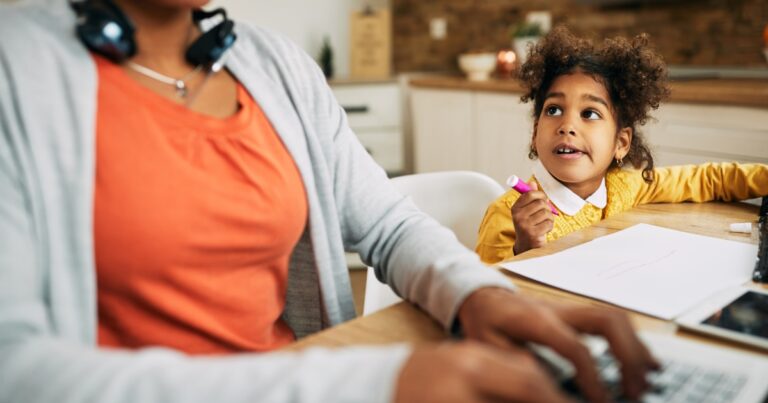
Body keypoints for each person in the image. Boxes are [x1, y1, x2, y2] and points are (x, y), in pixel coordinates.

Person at [0, 2, 658, 402]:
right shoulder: (15, 68)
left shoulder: (276, 66)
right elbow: (15, 368)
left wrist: (479, 296)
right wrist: (368, 386)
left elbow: (387, 221)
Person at [476, 27, 768, 263]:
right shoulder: (508, 217)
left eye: (589, 113)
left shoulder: (623, 187)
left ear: (621, 143)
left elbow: (707, 179)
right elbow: (487, 299)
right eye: (553, 110)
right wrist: (526, 248)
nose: (567, 125)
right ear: (535, 132)